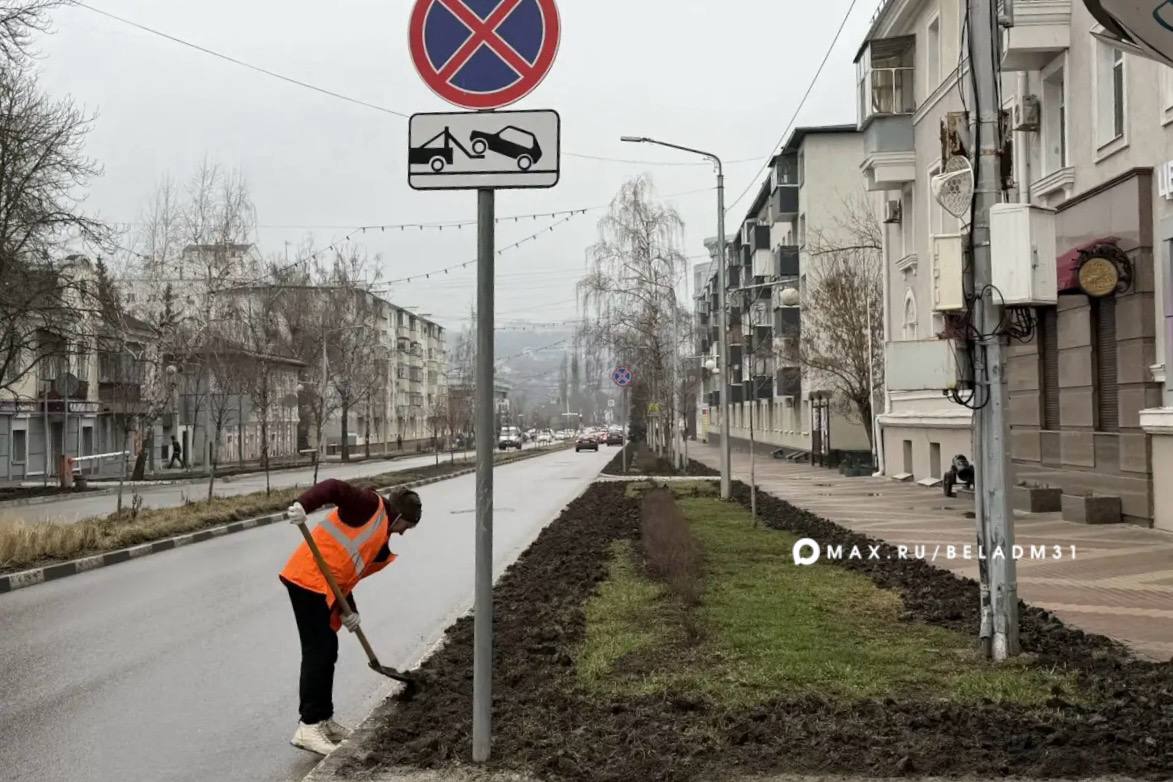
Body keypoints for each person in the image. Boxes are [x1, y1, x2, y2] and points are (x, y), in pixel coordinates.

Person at [279, 481, 423, 756]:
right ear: (401, 516)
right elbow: (333, 487)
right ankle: (308, 726)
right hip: (307, 579)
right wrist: (303, 504)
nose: (404, 533)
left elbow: (346, 570)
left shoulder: (380, 537)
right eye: (408, 526)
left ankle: (324, 720)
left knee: (327, 650)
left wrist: (350, 611)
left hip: (323, 586)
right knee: (318, 651)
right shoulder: (368, 505)